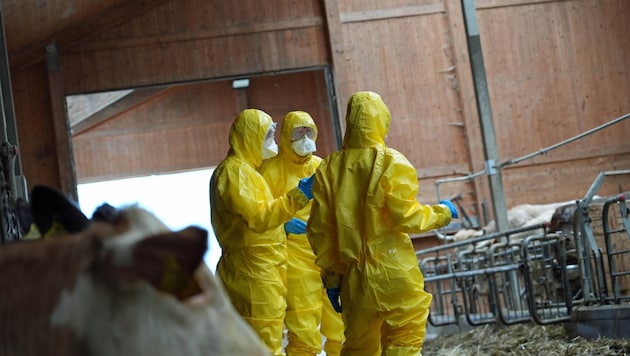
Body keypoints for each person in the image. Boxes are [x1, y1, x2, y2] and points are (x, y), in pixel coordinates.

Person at [306, 91, 459, 356]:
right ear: (381, 120)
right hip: (393, 272)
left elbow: (320, 231)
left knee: (359, 348)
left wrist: (331, 277)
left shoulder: (328, 169)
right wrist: (442, 212)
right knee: (403, 342)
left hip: (354, 282)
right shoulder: (392, 161)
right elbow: (407, 216)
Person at [209, 108, 315, 356]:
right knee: (263, 345)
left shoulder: (247, 171)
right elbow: (259, 217)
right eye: (267, 136)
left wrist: (282, 224)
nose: (271, 143)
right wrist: (298, 196)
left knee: (267, 341)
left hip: (263, 268)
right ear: (250, 137)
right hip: (252, 272)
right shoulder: (234, 172)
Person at [259, 111, 345, 356]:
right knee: (304, 328)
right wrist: (281, 225)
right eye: (299, 133)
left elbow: (338, 205)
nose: (305, 138)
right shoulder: (270, 170)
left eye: (309, 132)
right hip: (293, 257)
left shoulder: (323, 166)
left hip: (327, 253)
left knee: (340, 325)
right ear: (286, 136)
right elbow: (258, 215)